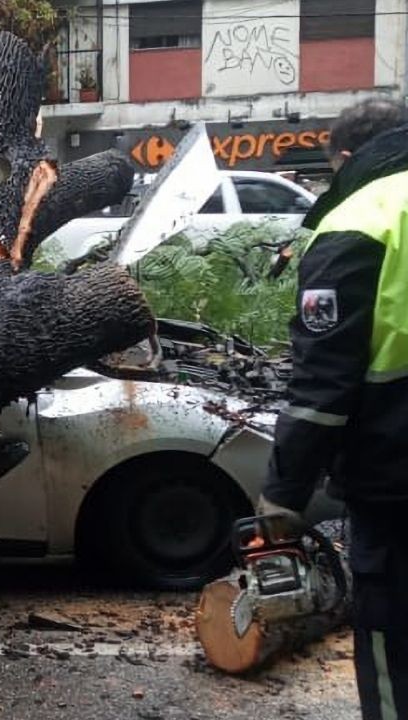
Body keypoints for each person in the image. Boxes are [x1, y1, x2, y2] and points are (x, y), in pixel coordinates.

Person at [258, 97, 408, 720]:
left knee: (392, 642)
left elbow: (323, 388)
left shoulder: (361, 220)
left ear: (345, 158)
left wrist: (283, 494)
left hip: (398, 485)